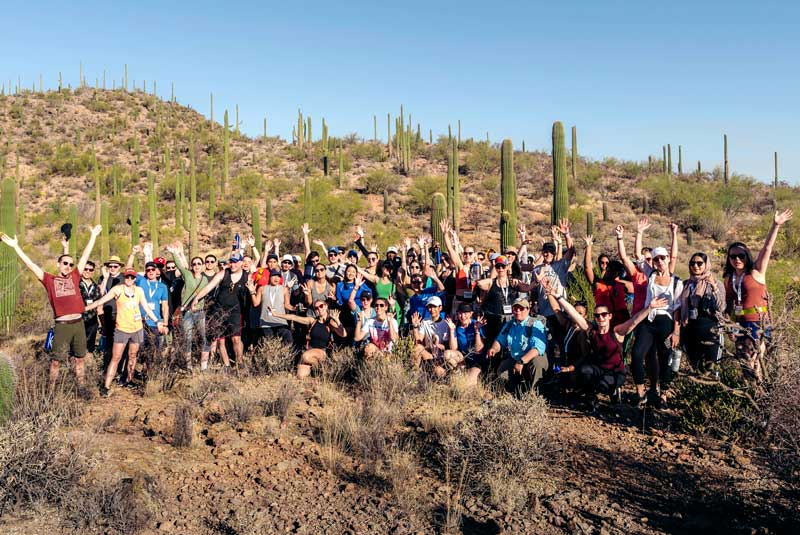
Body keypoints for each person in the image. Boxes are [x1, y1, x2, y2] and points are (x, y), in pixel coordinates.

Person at [2, 226, 101, 389]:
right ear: (58, 264)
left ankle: (81, 388)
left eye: (70, 264)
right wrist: (15, 247)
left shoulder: (75, 277)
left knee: (80, 359)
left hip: (78, 324)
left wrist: (93, 236)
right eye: (65, 263)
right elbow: (31, 265)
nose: (68, 266)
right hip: (62, 326)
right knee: (56, 361)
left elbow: (85, 256)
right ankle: (51, 389)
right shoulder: (49, 280)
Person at [553, 288, 670, 409]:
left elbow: (633, 322)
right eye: (597, 316)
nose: (601, 318)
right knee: (583, 371)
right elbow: (574, 314)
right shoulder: (592, 331)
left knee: (602, 384)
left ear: (609, 316)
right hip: (597, 369)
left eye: (604, 315)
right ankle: (591, 399)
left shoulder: (617, 332)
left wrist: (649, 308)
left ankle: (613, 392)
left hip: (615, 372)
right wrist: (558, 297)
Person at [724, 209, 792, 383]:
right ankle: (752, 391)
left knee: (755, 359)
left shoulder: (756, 272)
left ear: (746, 257)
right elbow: (729, 304)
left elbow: (767, 248)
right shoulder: (728, 278)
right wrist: (730, 326)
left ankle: (761, 393)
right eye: (733, 256)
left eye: (740, 256)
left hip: (758, 321)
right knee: (743, 361)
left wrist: (775, 225)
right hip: (739, 322)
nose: (737, 259)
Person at [85, 267, 163, 397]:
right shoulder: (118, 289)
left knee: (132, 356)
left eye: (132, 277)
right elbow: (101, 301)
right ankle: (106, 386)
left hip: (137, 329)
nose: (130, 279)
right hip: (122, 329)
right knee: (116, 357)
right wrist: (86, 308)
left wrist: (157, 321)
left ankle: (129, 380)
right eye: (128, 277)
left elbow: (146, 307)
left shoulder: (139, 290)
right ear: (124, 277)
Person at [628, 245, 683, 407]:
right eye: (656, 259)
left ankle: (663, 395)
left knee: (665, 358)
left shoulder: (676, 282)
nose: (660, 261)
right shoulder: (650, 274)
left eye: (662, 258)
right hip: (649, 321)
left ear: (668, 258)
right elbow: (638, 255)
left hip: (666, 323)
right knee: (637, 354)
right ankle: (640, 392)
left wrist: (676, 332)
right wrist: (639, 233)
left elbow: (678, 309)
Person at [190, 252, 248, 368]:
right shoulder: (223, 273)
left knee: (236, 338)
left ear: (241, 262)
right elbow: (209, 287)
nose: (233, 265)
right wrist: (197, 298)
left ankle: (240, 363)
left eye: (236, 262)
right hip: (219, 310)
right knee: (220, 340)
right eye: (231, 262)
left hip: (235, 311)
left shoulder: (247, 276)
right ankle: (226, 366)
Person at [487, 297, 548, 394]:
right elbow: (500, 340)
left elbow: (537, 348)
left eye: (521, 308)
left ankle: (535, 393)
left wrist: (521, 362)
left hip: (530, 358)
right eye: (515, 309)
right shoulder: (509, 324)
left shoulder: (535, 324)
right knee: (502, 371)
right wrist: (494, 349)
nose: (518, 311)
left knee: (537, 363)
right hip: (515, 358)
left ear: (528, 309)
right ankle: (515, 391)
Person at [268, 302, 345, 378]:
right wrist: (276, 314)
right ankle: (315, 369)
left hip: (322, 352)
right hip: (309, 349)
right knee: (300, 375)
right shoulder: (312, 321)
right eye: (316, 308)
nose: (319, 309)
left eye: (321, 306)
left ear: (326, 306)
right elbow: (293, 317)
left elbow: (343, 334)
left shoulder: (330, 322)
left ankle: (323, 366)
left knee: (305, 356)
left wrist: (338, 321)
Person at [679, 252, 726, 375]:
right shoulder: (685, 285)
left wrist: (714, 286)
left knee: (711, 367)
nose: (696, 266)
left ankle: (712, 392)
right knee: (695, 366)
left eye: (700, 263)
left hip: (711, 330)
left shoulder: (716, 283)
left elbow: (721, 307)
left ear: (706, 265)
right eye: (692, 263)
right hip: (691, 330)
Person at [168, 243, 211, 370]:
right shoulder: (187, 275)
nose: (197, 266)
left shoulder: (205, 280)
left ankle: (203, 366)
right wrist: (174, 253)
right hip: (187, 312)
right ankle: (189, 366)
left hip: (200, 312)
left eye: (199, 264)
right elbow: (180, 266)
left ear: (202, 266)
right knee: (187, 339)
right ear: (192, 266)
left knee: (203, 338)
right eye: (194, 264)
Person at [582, 235, 630, 329]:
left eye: (614, 270)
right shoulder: (598, 283)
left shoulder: (622, 284)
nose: (610, 271)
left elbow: (638, 286)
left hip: (622, 321)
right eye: (610, 269)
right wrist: (589, 247)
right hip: (603, 321)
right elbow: (587, 267)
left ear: (618, 273)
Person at [409, 296, 452, 376]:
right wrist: (415, 327)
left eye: (434, 307)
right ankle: (415, 374)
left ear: (440, 308)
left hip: (441, 358)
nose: (432, 310)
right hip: (430, 355)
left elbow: (447, 347)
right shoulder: (425, 322)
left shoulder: (445, 324)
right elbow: (419, 342)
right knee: (418, 347)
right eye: (430, 307)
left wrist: (437, 344)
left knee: (439, 372)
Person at [249, 269, 294, 345]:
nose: (276, 278)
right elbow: (256, 304)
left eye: (278, 276)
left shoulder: (284, 289)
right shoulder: (262, 288)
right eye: (274, 276)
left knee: (288, 339)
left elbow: (287, 305)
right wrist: (252, 292)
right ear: (269, 277)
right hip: (266, 322)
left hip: (281, 322)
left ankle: (286, 356)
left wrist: (295, 308)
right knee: (269, 345)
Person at [98, 255, 123, 371]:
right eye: (110, 266)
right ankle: (107, 368)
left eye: (115, 266)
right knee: (109, 343)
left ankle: (119, 369)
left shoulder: (124, 278)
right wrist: (105, 278)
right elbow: (100, 293)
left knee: (121, 342)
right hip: (107, 314)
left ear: (119, 267)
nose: (112, 268)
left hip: (121, 314)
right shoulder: (103, 278)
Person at [79, 260, 102, 355]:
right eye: (85, 269)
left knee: (90, 346)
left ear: (93, 271)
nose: (88, 271)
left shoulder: (96, 287)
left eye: (90, 270)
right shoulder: (76, 284)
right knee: (77, 346)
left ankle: (88, 367)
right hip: (78, 320)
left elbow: (99, 304)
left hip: (92, 320)